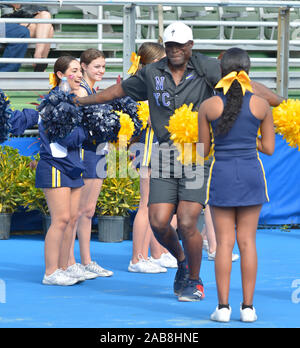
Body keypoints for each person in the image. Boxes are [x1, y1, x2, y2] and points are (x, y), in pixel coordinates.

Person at [74, 21, 283, 302]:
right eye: (170, 45)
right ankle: (182, 260)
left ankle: (194, 280)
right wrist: (80, 102)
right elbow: (116, 92)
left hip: (197, 154)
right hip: (163, 154)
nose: (175, 51)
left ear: (190, 46)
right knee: (158, 221)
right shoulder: (151, 72)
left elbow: (246, 86)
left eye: (180, 46)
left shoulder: (207, 67)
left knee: (186, 221)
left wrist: (282, 102)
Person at [198, 47, 275, 322]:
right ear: (247, 71)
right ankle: (248, 309)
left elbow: (203, 151)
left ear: (221, 71)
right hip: (252, 174)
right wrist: (247, 140)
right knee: (248, 242)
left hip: (222, 175)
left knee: (224, 243)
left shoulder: (208, 106)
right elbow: (268, 148)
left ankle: (222, 308)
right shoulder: (261, 105)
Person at [127, 42, 177, 274]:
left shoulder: (156, 84)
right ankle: (138, 258)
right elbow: (146, 119)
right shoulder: (141, 87)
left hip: (159, 149)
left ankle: (156, 253)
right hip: (146, 150)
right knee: (146, 205)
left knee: (157, 205)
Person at [38, 56, 87, 286]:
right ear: (59, 74)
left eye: (79, 71)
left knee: (72, 218)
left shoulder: (77, 99)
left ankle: (65, 266)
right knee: (61, 219)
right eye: (73, 71)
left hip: (74, 165)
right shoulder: (53, 100)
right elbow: (66, 137)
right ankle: (50, 272)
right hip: (56, 165)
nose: (78, 75)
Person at [67, 48, 113, 279]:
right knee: (76, 212)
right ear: (84, 67)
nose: (101, 71)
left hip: (99, 153)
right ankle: (70, 261)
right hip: (85, 153)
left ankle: (86, 260)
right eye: (97, 66)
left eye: (103, 66)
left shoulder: (95, 90)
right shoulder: (79, 91)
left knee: (88, 210)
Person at [1, 4, 54, 72]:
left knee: (45, 15)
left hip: (20, 21)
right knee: (48, 29)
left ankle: (38, 57)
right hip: (4, 23)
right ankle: (40, 65)